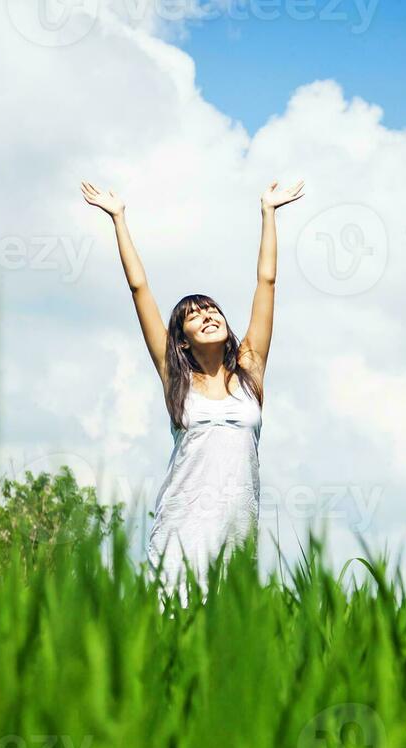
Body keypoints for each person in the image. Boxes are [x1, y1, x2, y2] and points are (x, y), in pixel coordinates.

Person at [81, 177, 305, 605]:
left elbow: (267, 283)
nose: (207, 316)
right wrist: (119, 218)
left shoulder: (250, 373)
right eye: (194, 315)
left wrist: (269, 213)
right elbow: (139, 289)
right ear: (181, 338)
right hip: (182, 527)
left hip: (237, 529)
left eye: (212, 310)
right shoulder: (175, 379)